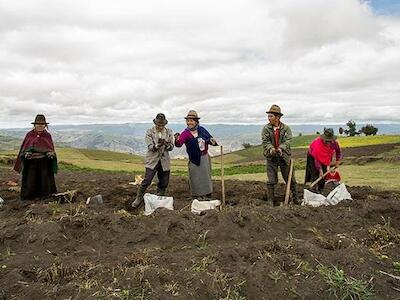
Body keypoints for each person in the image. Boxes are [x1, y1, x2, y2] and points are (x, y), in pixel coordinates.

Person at [131, 113, 174, 208]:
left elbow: (171, 147)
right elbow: (150, 145)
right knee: (147, 180)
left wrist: (167, 145)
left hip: (164, 160)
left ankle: (160, 197)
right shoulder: (150, 131)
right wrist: (156, 146)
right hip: (152, 160)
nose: (160, 126)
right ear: (155, 123)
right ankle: (139, 198)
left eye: (162, 125)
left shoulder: (169, 132)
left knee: (164, 181)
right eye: (159, 125)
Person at [174, 110, 218, 200]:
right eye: (188, 121)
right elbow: (179, 144)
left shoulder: (202, 130)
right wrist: (177, 139)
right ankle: (197, 195)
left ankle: (207, 194)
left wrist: (212, 142)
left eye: (191, 120)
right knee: (195, 177)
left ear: (196, 121)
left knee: (205, 176)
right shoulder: (185, 133)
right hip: (194, 158)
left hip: (204, 156)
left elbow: (209, 139)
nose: (189, 123)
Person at [262, 104, 299, 206]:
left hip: (284, 157)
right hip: (271, 157)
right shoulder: (266, 129)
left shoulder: (286, 128)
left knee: (290, 179)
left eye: (271, 116)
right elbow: (265, 142)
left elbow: (288, 141)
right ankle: (270, 201)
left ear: (277, 117)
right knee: (271, 180)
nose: (269, 118)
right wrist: (272, 149)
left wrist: (281, 148)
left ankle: (296, 199)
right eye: (268, 116)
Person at [14, 114, 57, 200]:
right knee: (30, 179)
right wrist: (26, 153)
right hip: (31, 162)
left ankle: (44, 195)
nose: (40, 126)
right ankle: (29, 196)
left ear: (45, 125)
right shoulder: (29, 135)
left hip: (44, 162)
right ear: (34, 125)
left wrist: (50, 153)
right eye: (38, 124)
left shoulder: (47, 136)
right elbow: (24, 148)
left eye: (42, 124)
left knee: (44, 179)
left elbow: (50, 148)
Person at [305, 128, 342, 192]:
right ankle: (314, 190)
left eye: (329, 141)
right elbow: (316, 159)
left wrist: (337, 162)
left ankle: (321, 189)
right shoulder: (318, 145)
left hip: (325, 156)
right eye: (326, 141)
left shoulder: (335, 143)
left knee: (324, 174)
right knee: (315, 173)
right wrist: (320, 170)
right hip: (312, 156)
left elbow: (338, 152)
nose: (328, 142)